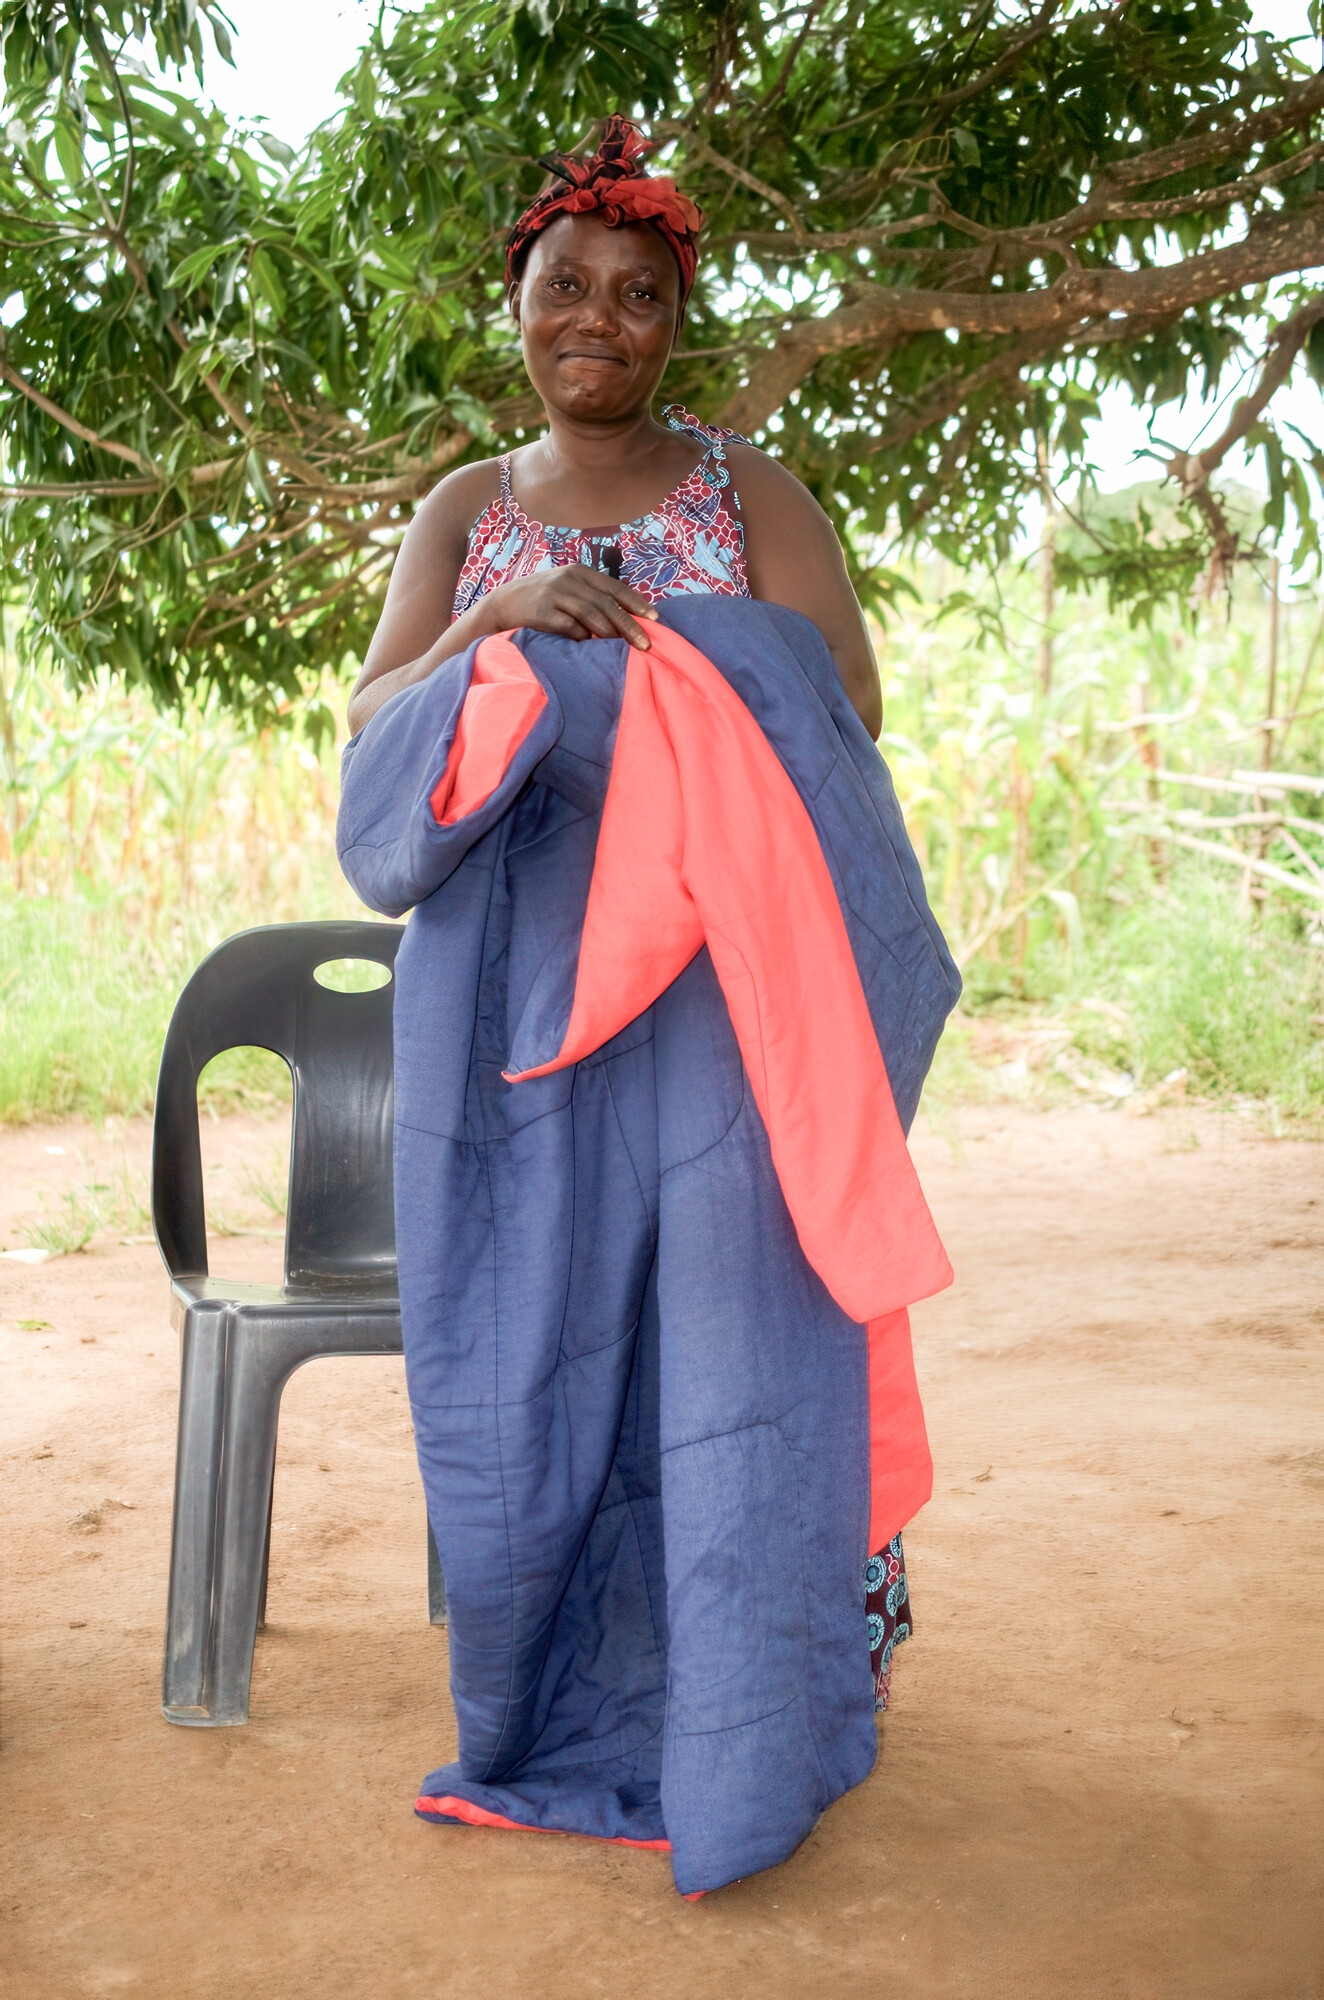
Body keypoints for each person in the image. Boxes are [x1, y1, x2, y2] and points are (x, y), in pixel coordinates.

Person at [345, 119, 929, 1861]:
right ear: (512, 306)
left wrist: (676, 664)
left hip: (722, 1002)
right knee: (540, 1346)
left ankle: (752, 1712)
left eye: (639, 295)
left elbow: (849, 704)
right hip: (518, 1008)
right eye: (565, 290)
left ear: (682, 319)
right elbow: (377, 731)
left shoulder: (747, 494)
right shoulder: (465, 510)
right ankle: (557, 1705)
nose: (597, 319)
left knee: (737, 1337)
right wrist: (497, 622)